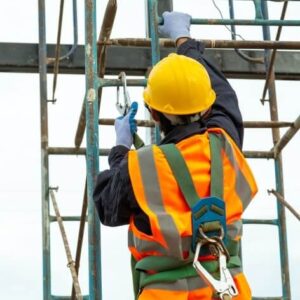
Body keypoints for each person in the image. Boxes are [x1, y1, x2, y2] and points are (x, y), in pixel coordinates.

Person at [93, 11, 257, 300]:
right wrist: (184, 40)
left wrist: (121, 148)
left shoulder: (140, 168)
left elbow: (107, 204)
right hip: (228, 292)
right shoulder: (226, 146)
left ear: (154, 114)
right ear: (207, 108)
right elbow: (223, 95)